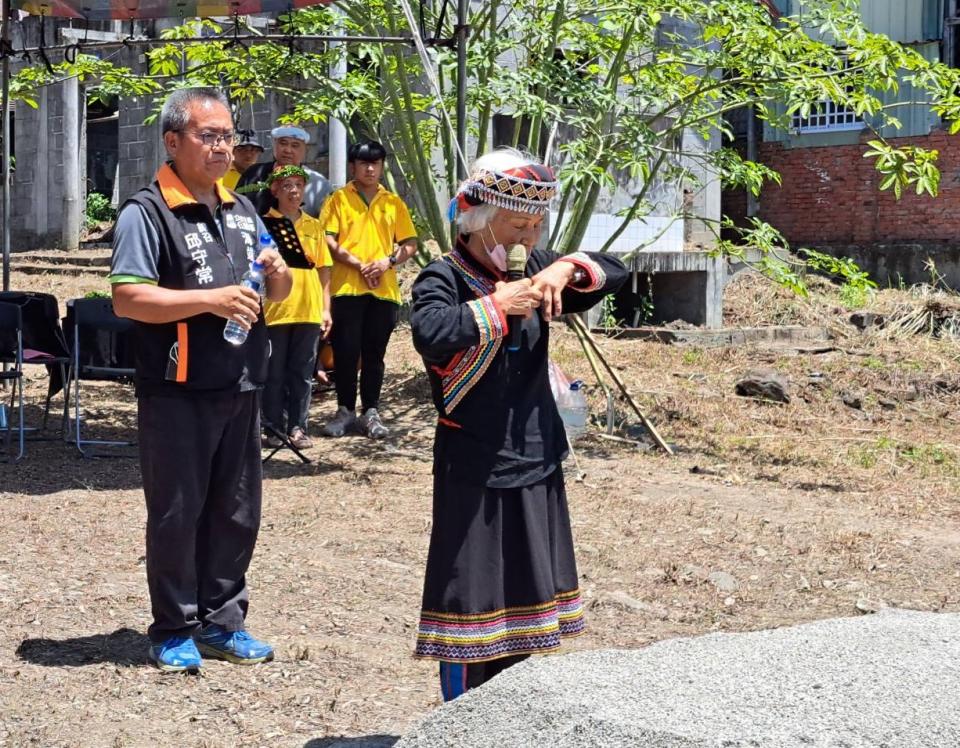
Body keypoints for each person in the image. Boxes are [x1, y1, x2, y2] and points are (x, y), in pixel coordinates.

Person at [409, 148, 627, 701]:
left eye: (536, 226)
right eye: (517, 225)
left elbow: (615, 272)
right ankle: (458, 724)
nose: (528, 238)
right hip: (474, 461)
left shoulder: (535, 267)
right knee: (469, 604)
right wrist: (497, 306)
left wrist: (563, 266)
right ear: (481, 221)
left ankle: (512, 716)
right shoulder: (445, 276)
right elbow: (431, 333)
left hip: (534, 453)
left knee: (528, 601)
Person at [109, 87, 292, 673]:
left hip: (240, 385)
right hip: (176, 389)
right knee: (176, 512)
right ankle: (172, 628)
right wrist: (208, 301)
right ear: (172, 141)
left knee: (236, 512)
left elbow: (276, 296)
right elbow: (127, 297)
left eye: (228, 136)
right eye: (208, 136)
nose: (222, 148)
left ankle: (223, 622)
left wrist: (280, 273)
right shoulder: (147, 211)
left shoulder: (241, 211)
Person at [320, 141, 418, 439]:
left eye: (376, 163)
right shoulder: (338, 199)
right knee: (346, 352)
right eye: (364, 163)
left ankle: (371, 411)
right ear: (353, 166)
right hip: (347, 288)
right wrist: (360, 264)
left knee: (375, 353)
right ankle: (345, 410)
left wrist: (386, 262)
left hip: (383, 290)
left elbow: (410, 244)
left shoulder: (393, 202)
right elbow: (328, 240)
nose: (371, 168)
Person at [261, 164, 333, 450]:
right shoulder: (263, 223)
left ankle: (298, 428)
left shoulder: (314, 226)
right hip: (275, 311)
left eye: (299, 185)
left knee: (302, 373)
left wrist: (326, 309)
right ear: (274, 190)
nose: (294, 191)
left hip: (309, 310)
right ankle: (272, 427)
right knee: (273, 372)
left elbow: (325, 271)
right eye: (287, 185)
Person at [236, 125, 332, 217]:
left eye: (295, 145)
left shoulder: (319, 185)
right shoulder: (254, 173)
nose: (288, 150)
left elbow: (327, 226)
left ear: (306, 150)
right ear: (274, 145)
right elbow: (236, 207)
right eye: (283, 143)